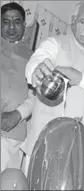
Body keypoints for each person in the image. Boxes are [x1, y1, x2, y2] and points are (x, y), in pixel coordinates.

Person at [24, 0, 84, 188]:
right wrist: (35, 71)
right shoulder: (54, 43)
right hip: (46, 143)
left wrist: (80, 79)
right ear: (73, 21)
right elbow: (35, 63)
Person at [1, 2, 34, 172]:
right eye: (6, 21)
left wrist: (18, 114)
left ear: (24, 24)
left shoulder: (33, 57)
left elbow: (36, 96)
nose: (11, 27)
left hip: (17, 134)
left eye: (16, 21)